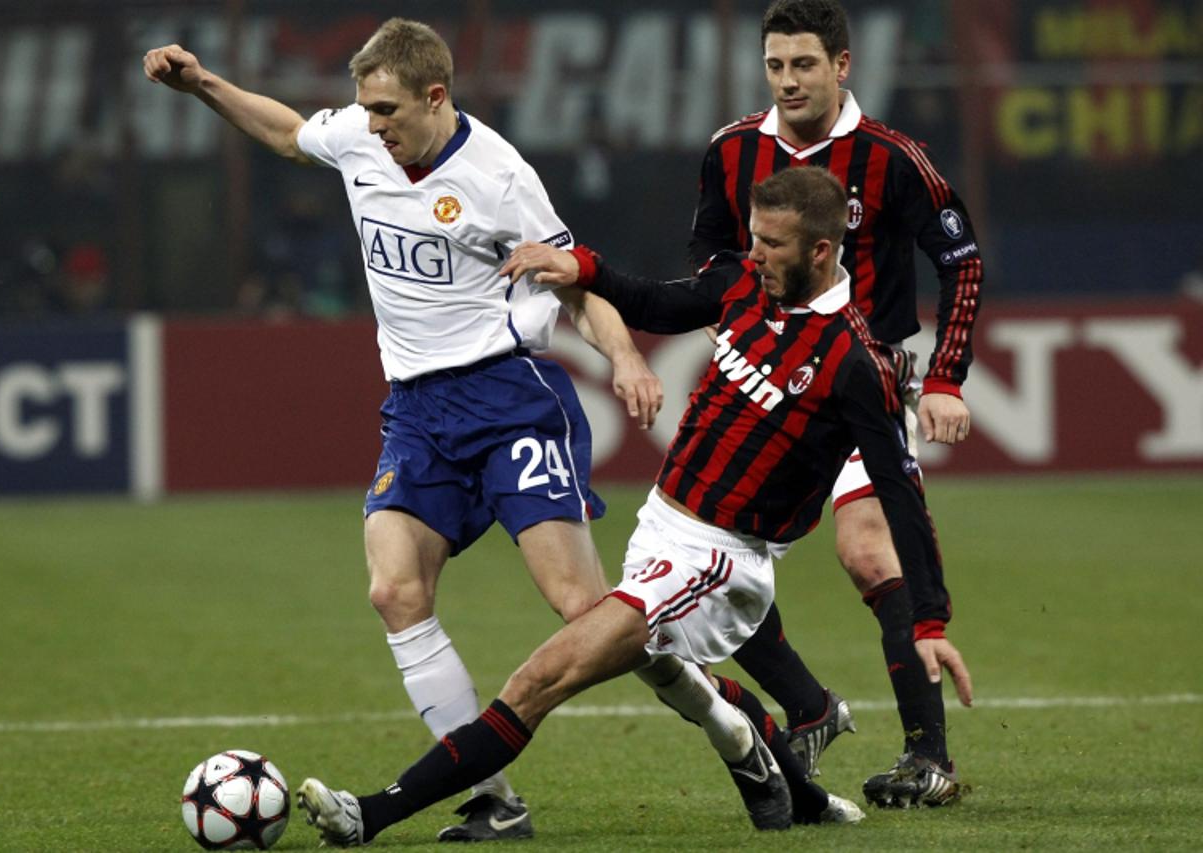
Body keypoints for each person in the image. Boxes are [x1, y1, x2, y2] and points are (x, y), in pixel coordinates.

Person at [294, 165, 948, 847]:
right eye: (754, 237)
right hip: (660, 527)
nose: (755, 253)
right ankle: (788, 780)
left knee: (540, 677)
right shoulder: (743, 283)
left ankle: (369, 814)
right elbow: (653, 303)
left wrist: (929, 620)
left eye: (773, 244)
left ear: (822, 250)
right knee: (668, 674)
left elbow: (901, 497)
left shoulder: (852, 361)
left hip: (721, 562)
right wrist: (573, 263)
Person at [143, 19, 666, 842]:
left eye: (385, 109)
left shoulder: (499, 177)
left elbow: (577, 283)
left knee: (584, 609)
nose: (370, 124)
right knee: (394, 592)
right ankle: (494, 798)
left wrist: (628, 356)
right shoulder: (360, 136)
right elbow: (287, 133)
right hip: (418, 411)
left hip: (507, 396)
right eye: (364, 107)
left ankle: (737, 722)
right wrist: (204, 85)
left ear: (435, 95)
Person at [689, 0, 980, 806]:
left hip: (857, 386)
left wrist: (947, 374)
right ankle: (812, 709)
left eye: (805, 64)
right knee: (712, 562)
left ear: (842, 65)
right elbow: (710, 255)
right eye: (776, 64)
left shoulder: (893, 157)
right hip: (767, 392)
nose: (788, 80)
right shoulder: (731, 150)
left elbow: (962, 259)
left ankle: (930, 758)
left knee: (866, 549)